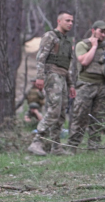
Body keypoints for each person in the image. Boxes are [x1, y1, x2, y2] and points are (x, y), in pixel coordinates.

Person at [28, 11, 77, 156]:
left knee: (61, 113)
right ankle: (36, 141)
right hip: (51, 75)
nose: (70, 23)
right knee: (54, 110)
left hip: (62, 77)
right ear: (59, 21)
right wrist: (40, 77)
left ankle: (56, 147)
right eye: (67, 20)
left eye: (72, 21)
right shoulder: (50, 36)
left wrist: (71, 84)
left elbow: (65, 66)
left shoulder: (67, 42)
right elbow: (41, 58)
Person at [66, 20, 105, 152]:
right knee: (80, 117)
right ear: (93, 30)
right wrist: (94, 46)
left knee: (99, 118)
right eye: (101, 31)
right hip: (85, 85)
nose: (103, 35)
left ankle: (94, 147)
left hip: (103, 86)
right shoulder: (82, 45)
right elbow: (84, 61)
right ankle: (72, 147)